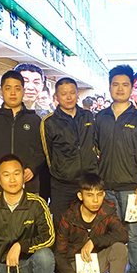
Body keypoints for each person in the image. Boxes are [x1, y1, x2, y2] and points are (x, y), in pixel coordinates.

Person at [94, 64, 137, 273]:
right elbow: (95, 148)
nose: (120, 88)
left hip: (131, 188)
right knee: (109, 232)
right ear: (109, 87)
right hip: (106, 187)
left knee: (134, 233)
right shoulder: (101, 117)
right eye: (115, 84)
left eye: (125, 84)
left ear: (131, 88)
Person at [53, 173, 128, 273]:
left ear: (103, 194)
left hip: (98, 261)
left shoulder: (107, 211)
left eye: (99, 195)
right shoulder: (68, 217)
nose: (95, 200)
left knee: (120, 248)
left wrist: (94, 240)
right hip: (74, 264)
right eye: (89, 195)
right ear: (80, 196)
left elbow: (123, 235)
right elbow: (59, 254)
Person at [0, 70, 45, 194]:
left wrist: (32, 168)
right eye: (8, 88)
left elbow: (41, 151)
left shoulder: (34, 120)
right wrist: (0, 171)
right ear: (1, 91)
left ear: (23, 91)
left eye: (17, 88)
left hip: (29, 185)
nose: (13, 93)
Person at [41, 77, 98, 225]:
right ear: (56, 97)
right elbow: (47, 155)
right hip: (63, 185)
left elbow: (95, 142)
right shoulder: (49, 122)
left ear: (77, 94)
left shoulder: (88, 116)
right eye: (64, 94)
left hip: (88, 181)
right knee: (62, 225)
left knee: (89, 225)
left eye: (72, 93)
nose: (69, 97)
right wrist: (61, 172)